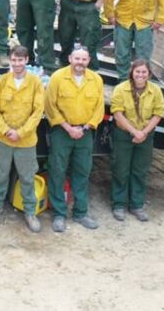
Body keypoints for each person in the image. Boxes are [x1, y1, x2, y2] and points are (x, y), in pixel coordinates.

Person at [45, 46, 104, 232]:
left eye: (84, 59)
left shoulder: (96, 80)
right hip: (62, 132)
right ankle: (59, 214)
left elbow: (99, 109)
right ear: (70, 58)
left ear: (88, 61)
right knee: (57, 172)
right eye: (77, 58)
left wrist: (85, 127)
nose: (80, 62)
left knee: (82, 172)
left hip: (85, 133)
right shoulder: (57, 78)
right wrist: (68, 128)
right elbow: (50, 106)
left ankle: (80, 213)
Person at [0, 45, 44, 232]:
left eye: (20, 60)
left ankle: (29, 211)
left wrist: (21, 132)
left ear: (27, 60)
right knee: (1, 173)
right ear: (10, 61)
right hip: (3, 139)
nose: (17, 63)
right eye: (14, 60)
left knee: (27, 176)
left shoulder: (35, 83)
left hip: (26, 141)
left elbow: (37, 112)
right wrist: (5, 130)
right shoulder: (2, 81)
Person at [110, 59, 164, 222]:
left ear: (149, 74)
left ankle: (136, 205)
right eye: (137, 71)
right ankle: (118, 204)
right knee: (121, 169)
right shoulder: (121, 89)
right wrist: (134, 131)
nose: (140, 75)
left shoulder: (155, 91)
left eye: (144, 72)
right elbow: (117, 113)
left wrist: (143, 133)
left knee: (140, 171)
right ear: (132, 72)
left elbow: (158, 113)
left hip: (145, 136)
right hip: (124, 135)